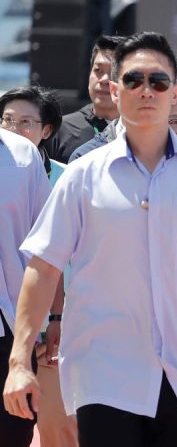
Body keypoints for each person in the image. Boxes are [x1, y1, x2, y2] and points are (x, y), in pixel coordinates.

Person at [3, 32, 177, 447]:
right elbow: (43, 267)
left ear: (176, 92)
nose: (146, 90)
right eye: (133, 80)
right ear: (115, 90)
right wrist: (19, 361)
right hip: (106, 376)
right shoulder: (82, 176)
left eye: (158, 81)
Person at [0, 126, 51, 447]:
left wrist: (54, 317)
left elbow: (48, 247)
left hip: (11, 329)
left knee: (12, 433)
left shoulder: (22, 154)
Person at [42, 35, 124, 163]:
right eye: (98, 70)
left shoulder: (142, 132)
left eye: (114, 73)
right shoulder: (58, 130)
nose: (104, 79)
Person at [0, 86, 62, 175]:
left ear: (46, 131)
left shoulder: (63, 175)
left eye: (25, 121)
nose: (13, 130)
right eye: (8, 119)